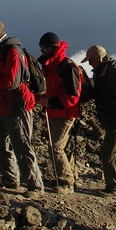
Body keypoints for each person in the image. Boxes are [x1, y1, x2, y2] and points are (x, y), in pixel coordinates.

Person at [0, 19, 44, 195]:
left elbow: (10, 82)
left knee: (22, 145)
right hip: (4, 104)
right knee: (2, 142)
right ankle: (10, 178)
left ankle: (35, 185)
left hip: (16, 105)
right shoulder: (0, 51)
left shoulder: (12, 52)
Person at [81, 45, 116, 197]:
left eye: (91, 60)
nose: (89, 63)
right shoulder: (102, 73)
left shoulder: (115, 72)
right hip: (114, 119)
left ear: (98, 58)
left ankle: (113, 187)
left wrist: (104, 106)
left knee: (108, 152)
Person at [37, 32, 83, 193]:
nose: (42, 49)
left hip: (66, 113)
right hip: (54, 112)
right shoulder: (49, 65)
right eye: (41, 46)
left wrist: (51, 102)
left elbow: (73, 96)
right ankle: (72, 178)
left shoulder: (66, 66)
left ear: (53, 47)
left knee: (55, 147)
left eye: (45, 46)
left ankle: (66, 182)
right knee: (63, 147)